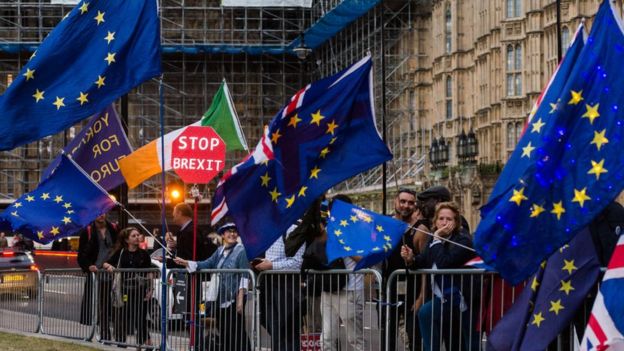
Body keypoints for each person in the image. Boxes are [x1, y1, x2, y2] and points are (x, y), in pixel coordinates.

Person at [402, 202, 477, 351]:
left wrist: (437, 238)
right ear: (435, 221)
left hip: (462, 298)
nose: (444, 222)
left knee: (466, 342)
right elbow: (422, 261)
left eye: (449, 219)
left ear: (456, 222)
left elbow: (444, 263)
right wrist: (410, 258)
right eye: (441, 218)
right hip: (442, 298)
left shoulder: (463, 240)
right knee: (425, 313)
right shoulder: (433, 238)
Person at [174, 223, 251, 351]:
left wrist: (240, 300)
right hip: (220, 299)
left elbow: (244, 275)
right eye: (228, 232)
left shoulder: (241, 250)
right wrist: (186, 262)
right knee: (224, 331)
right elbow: (207, 263)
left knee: (236, 332)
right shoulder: (220, 251)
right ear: (222, 235)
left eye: (234, 232)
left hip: (233, 299)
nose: (232, 234)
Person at [164, 203, 217, 351]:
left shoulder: (189, 231)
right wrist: (175, 246)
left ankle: (196, 344)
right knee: (188, 312)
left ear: (181, 213)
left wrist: (170, 259)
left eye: (174, 212)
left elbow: (188, 256)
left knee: (190, 312)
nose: (173, 216)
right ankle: (194, 342)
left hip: (189, 278)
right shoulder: (187, 231)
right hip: (187, 278)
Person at [318, 195, 367, 351]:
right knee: (327, 338)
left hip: (350, 291)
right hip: (329, 289)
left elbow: (364, 259)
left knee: (355, 339)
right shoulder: (327, 230)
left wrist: (344, 244)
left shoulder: (358, 230)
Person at [383, 188, 427, 351]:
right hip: (389, 290)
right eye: (403, 201)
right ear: (395, 201)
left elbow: (425, 266)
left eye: (410, 202)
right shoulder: (386, 225)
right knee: (387, 337)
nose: (406, 206)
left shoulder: (420, 230)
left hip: (412, 291)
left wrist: (421, 297)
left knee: (414, 338)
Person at [253, 224, 306, 351]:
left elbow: (297, 263)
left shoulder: (294, 230)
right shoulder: (267, 230)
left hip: (288, 289)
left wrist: (271, 266)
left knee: (289, 332)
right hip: (269, 286)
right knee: (275, 332)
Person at [103, 227, 153, 349]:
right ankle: (121, 343)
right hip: (124, 290)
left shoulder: (144, 254)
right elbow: (105, 263)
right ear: (127, 240)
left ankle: (141, 344)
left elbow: (150, 272)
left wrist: (151, 289)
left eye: (138, 235)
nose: (137, 237)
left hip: (140, 290)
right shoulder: (120, 252)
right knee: (123, 317)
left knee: (140, 318)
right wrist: (109, 267)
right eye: (133, 236)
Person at [77, 214, 119, 341]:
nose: (101, 215)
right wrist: (89, 266)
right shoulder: (87, 231)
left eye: (103, 212)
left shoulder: (114, 228)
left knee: (117, 305)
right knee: (101, 306)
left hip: (114, 274)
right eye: (98, 212)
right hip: (96, 275)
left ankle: (117, 335)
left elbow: (120, 248)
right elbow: (81, 255)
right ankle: (104, 334)